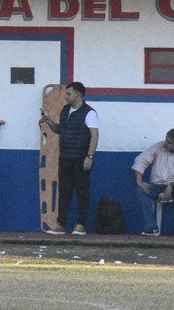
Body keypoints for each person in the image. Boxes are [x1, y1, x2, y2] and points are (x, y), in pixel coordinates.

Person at [40, 82, 98, 236]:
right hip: (65, 157)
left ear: (78, 95)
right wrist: (50, 123)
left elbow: (94, 135)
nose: (65, 96)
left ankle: (81, 225)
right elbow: (61, 129)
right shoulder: (66, 110)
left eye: (68, 94)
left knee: (82, 192)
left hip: (81, 158)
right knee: (64, 192)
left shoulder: (89, 113)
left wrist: (89, 157)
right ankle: (61, 224)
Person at [132, 128, 174, 236]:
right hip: (156, 186)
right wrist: (139, 181)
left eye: (169, 142)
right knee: (140, 191)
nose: (165, 143)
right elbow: (140, 160)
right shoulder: (158, 147)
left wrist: (171, 185)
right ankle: (151, 227)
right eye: (166, 140)